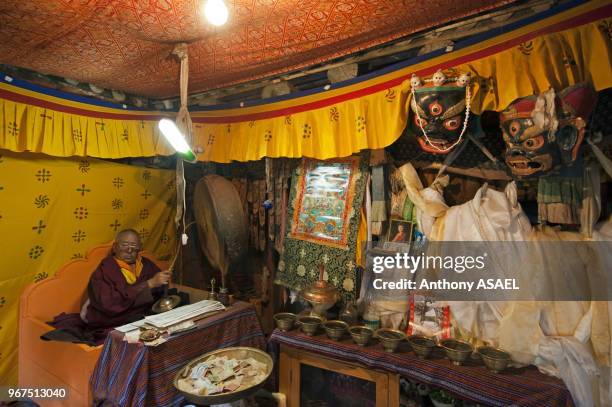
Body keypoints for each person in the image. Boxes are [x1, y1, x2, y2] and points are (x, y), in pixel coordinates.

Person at [80, 229, 171, 328]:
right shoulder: (105, 269)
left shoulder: (145, 264)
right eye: (124, 245)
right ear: (115, 247)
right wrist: (149, 284)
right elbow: (108, 303)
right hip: (115, 317)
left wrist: (162, 281)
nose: (129, 250)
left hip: (142, 312)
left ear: (139, 247)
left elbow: (159, 292)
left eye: (134, 245)